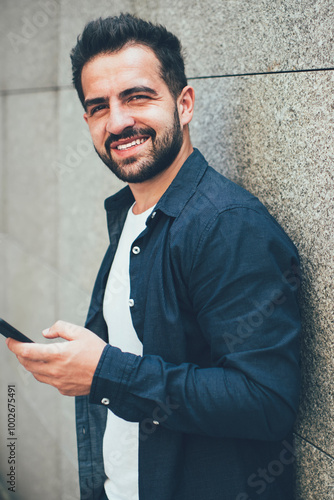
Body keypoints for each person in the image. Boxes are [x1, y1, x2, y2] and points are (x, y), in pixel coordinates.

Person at [7, 13, 301, 500]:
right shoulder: (133, 213)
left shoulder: (226, 224)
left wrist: (104, 372)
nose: (118, 121)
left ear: (184, 104)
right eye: (99, 106)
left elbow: (266, 402)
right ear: (87, 122)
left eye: (137, 97)